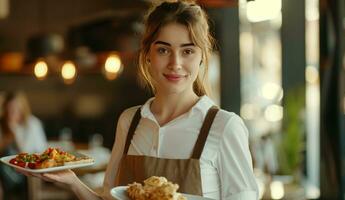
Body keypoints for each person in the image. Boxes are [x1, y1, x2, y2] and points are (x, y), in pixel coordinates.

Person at [22, 1, 259, 199]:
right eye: (163, 50)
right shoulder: (130, 121)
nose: (175, 63)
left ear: (201, 58)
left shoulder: (225, 126)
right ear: (147, 55)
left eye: (188, 51)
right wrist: (72, 182)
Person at [0, 91, 48, 198]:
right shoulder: (2, 125)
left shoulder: (33, 124)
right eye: (9, 108)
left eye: (15, 108)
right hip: (6, 171)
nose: (12, 112)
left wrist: (15, 132)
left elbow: (39, 152)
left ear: (23, 108)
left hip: (27, 171)